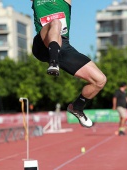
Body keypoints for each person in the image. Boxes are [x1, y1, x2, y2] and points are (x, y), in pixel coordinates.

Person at [31, 0, 107, 128]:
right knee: (55, 22)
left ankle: (77, 107)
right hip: (42, 44)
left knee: (100, 80)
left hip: (63, 47)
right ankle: (53, 61)